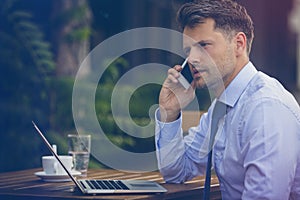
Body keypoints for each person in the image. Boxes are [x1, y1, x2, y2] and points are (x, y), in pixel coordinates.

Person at [155, 0, 300, 199]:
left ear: (239, 44)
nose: (193, 59)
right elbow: (177, 171)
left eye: (203, 45)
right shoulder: (222, 107)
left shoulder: (265, 108)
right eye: (188, 51)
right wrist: (169, 112)